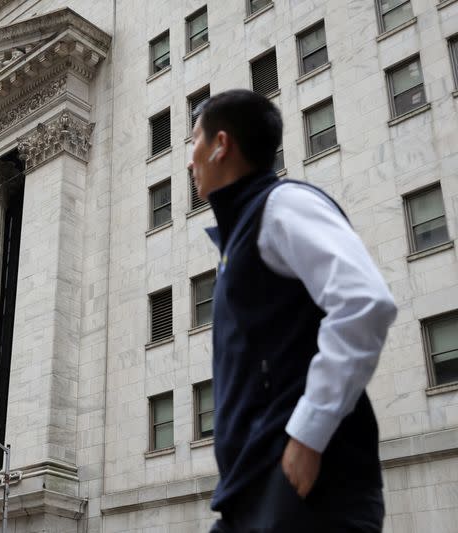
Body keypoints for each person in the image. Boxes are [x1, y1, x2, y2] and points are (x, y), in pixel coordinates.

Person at [187, 89, 397, 532]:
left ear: (221, 145)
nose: (190, 160)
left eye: (194, 142)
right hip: (251, 487)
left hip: (303, 486)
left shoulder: (283, 205)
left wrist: (308, 435)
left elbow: (364, 302)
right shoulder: (240, 233)